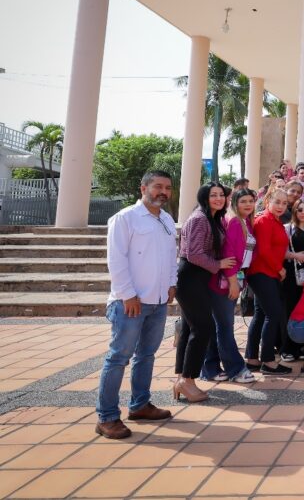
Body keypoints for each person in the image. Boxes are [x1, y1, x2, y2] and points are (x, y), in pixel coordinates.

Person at [96, 170, 177, 439]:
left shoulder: (166, 219)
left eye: (166, 187)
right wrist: (127, 294)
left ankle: (140, 404)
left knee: (147, 355)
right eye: (157, 186)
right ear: (143, 188)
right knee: (119, 357)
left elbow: (170, 256)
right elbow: (116, 260)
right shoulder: (125, 218)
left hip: (157, 301)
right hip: (130, 302)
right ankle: (106, 416)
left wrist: (171, 284)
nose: (162, 192)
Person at [174, 183, 234, 403]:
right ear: (204, 198)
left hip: (198, 278)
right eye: (213, 195)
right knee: (203, 328)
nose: (218, 199)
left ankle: (182, 378)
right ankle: (187, 379)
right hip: (190, 277)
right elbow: (194, 254)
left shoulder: (212, 217)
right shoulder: (199, 218)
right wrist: (218, 264)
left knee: (191, 327)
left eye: (221, 195)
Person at [202, 188, 257, 384]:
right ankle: (235, 369)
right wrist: (233, 281)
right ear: (234, 202)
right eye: (243, 201)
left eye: (251, 201)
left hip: (235, 278)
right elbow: (229, 252)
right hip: (224, 281)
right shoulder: (233, 221)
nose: (248, 205)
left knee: (220, 325)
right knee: (225, 326)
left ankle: (209, 368)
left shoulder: (246, 222)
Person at [246, 189, 296, 376]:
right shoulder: (264, 221)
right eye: (277, 202)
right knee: (273, 314)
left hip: (269, 273)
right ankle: (267, 360)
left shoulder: (275, 221)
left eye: (284, 203)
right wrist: (279, 269)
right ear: (268, 200)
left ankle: (252, 359)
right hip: (262, 273)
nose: (281, 206)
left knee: (261, 315)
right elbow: (264, 251)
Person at [279, 199, 304, 362]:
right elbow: (280, 252)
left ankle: (298, 346)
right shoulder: (287, 228)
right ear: (294, 211)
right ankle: (286, 348)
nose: (303, 212)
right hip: (291, 275)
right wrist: (296, 256)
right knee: (289, 310)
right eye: (299, 209)